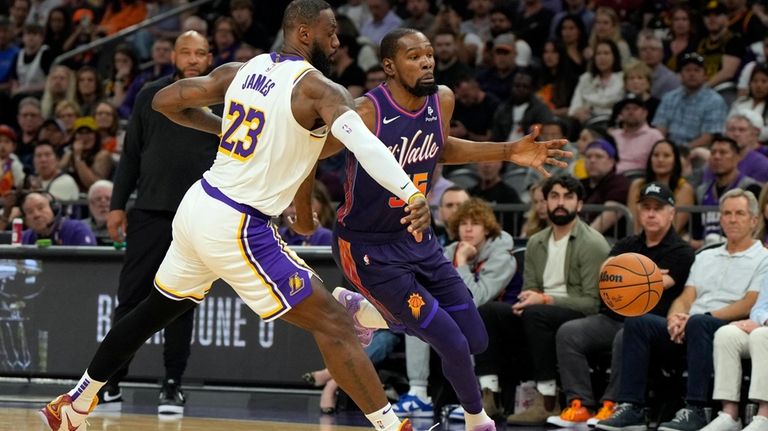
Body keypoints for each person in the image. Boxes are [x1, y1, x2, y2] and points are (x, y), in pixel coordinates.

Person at [39, 1, 434, 430]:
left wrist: (221, 127)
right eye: (331, 31)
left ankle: (76, 402)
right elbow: (367, 146)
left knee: (153, 310)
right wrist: (410, 192)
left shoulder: (240, 70)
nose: (338, 41)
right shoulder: (320, 90)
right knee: (337, 324)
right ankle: (395, 426)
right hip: (238, 222)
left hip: (200, 204)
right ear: (304, 33)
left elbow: (165, 101)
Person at [312, 27, 570, 431]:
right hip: (367, 246)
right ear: (389, 66)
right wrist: (299, 208)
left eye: (429, 53)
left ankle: (365, 313)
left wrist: (506, 151)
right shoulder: (365, 111)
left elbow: (439, 147)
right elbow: (311, 152)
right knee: (449, 340)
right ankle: (477, 419)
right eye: (414, 56)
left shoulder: (441, 99)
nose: (427, 61)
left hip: (417, 239)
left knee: (475, 339)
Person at [92, 31, 218, 415]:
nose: (193, 59)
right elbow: (129, 156)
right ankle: (110, 382)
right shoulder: (152, 95)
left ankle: (172, 384)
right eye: (186, 51)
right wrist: (117, 206)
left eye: (200, 53)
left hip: (198, 216)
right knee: (130, 299)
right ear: (173, 56)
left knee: (182, 302)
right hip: (148, 211)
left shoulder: (226, 100)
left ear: (210, 57)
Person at [596, 188, 768, 431]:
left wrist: (698, 318)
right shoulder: (706, 256)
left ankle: (696, 409)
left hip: (727, 327)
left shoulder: (763, 257)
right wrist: (674, 319)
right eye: (726, 213)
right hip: (689, 324)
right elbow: (686, 296)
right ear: (719, 219)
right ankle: (632, 407)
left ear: (753, 220)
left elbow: (749, 303)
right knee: (637, 321)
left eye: (739, 213)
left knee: (699, 322)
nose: (732, 219)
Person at [548, 182, 695, 428]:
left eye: (658, 208)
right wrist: (645, 274)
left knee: (626, 336)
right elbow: (604, 275)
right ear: (638, 211)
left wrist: (627, 274)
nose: (650, 213)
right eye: (646, 207)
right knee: (569, 332)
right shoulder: (627, 242)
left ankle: (613, 405)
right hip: (612, 317)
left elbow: (659, 285)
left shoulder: (682, 252)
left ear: (672, 213)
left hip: (650, 325)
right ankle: (580, 404)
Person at [473, 175, 609, 426]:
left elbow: (591, 303)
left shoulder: (593, 244)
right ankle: (488, 396)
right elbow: (530, 289)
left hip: (577, 316)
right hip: (539, 313)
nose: (560, 203)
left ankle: (547, 399)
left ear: (579, 204)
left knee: (536, 313)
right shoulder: (536, 242)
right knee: (488, 311)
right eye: (554, 196)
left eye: (568, 197)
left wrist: (545, 299)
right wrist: (531, 299)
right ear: (544, 203)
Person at [701, 279, 768, 431]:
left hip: (764, 331)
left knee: (761, 335)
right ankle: (729, 415)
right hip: (763, 326)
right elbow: (758, 308)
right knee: (727, 334)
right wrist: (761, 320)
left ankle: (765, 416)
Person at [20, 191, 96, 245]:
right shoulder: (24, 238)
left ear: (54, 209)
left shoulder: (77, 230)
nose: (36, 215)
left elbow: (89, 265)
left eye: (40, 208)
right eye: (30, 212)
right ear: (25, 220)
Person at [83, 180, 112, 246]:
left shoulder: (128, 229)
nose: (103, 204)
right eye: (98, 199)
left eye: (108, 199)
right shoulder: (81, 228)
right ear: (90, 204)